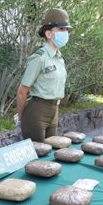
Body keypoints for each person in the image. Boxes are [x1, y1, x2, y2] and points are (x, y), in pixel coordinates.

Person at [16, 8, 71, 142]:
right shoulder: (39, 58)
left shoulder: (59, 58)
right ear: (48, 34)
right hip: (37, 111)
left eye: (66, 30)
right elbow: (22, 91)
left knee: (51, 156)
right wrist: (21, 116)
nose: (65, 33)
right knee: (37, 156)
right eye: (61, 30)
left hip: (54, 110)